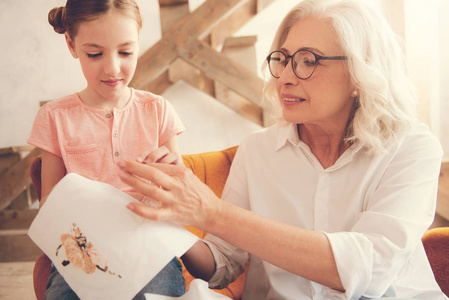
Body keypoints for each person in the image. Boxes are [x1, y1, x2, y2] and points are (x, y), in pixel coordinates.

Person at [117, 0, 448, 299]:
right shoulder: (257, 150)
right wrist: (169, 218)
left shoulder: (411, 149)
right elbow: (221, 265)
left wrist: (214, 213)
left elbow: (371, 268)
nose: (285, 77)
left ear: (360, 74)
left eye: (308, 61)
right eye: (284, 59)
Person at [27, 0, 185, 299]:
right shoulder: (55, 116)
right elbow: (49, 200)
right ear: (72, 45)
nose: (113, 68)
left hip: (148, 245)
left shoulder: (157, 109)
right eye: (95, 54)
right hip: (83, 249)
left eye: (126, 52)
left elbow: (178, 190)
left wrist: (173, 171)